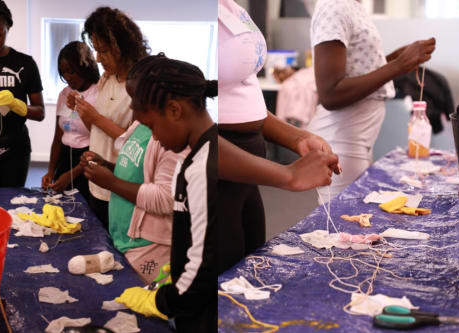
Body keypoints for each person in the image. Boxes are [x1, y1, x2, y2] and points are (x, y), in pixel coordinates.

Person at [216, 0, 340, 272]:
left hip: (246, 178)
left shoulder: (230, 6)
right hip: (214, 175)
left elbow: (243, 92)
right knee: (219, 284)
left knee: (246, 274)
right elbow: (189, 126)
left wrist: (296, 137)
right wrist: (287, 175)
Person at [109, 55, 216, 331]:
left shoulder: (202, 167)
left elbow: (203, 268)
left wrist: (160, 301)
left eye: (152, 127)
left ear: (174, 110)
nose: (154, 138)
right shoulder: (189, 159)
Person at [309, 0, 436, 198]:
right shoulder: (334, 6)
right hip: (343, 135)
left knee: (355, 217)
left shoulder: (354, 5)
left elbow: (359, 69)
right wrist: (398, 65)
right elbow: (330, 94)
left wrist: (396, 59)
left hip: (356, 136)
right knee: (346, 219)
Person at [82, 54, 184, 284]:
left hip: (150, 244)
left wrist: (111, 182)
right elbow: (134, 166)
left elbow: (166, 197)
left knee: (143, 308)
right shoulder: (141, 124)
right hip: (126, 235)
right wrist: (107, 166)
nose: (132, 109)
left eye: (137, 102)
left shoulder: (170, 138)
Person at [76, 6, 148, 228]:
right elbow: (95, 131)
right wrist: (85, 113)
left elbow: (137, 144)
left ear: (123, 47)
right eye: (95, 50)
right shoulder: (106, 79)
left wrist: (95, 117)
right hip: (97, 180)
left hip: (121, 184)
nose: (98, 59)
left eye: (104, 51)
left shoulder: (140, 86)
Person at [0, 0, 44, 188]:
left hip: (15, 147)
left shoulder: (25, 63)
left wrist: (18, 105)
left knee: (14, 201)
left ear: (8, 28)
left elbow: (40, 113)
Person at [42, 41, 99, 201]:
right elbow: (58, 136)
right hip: (64, 159)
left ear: (85, 67)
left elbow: (99, 141)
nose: (67, 77)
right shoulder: (64, 94)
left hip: (87, 162)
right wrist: (51, 171)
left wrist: (71, 175)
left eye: (72, 71)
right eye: (63, 72)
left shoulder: (98, 94)